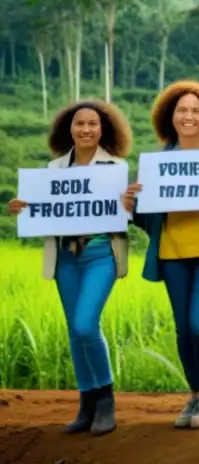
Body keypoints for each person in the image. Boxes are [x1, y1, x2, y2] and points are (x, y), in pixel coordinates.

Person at [7, 99, 134, 436]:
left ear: (103, 128)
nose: (86, 129)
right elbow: (42, 208)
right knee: (73, 331)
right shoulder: (52, 171)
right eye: (80, 124)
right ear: (70, 129)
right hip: (65, 258)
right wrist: (22, 207)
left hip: (99, 255)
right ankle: (87, 402)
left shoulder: (116, 168)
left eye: (93, 123)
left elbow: (130, 215)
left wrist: (131, 205)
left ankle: (105, 398)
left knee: (85, 325)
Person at [120, 81, 199, 430]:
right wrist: (131, 207)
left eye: (195, 111)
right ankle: (193, 395)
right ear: (170, 118)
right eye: (182, 111)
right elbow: (148, 220)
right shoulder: (156, 164)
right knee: (183, 328)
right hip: (171, 252)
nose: (188, 116)